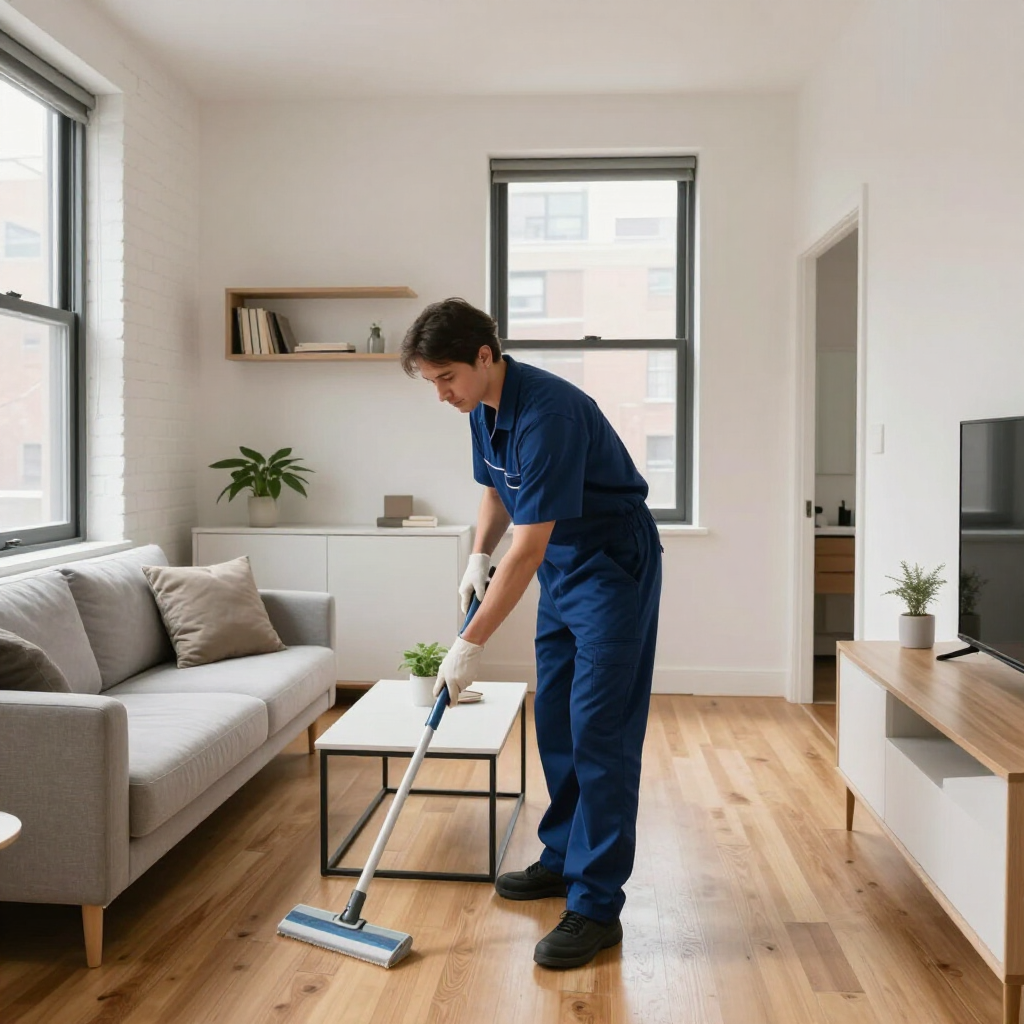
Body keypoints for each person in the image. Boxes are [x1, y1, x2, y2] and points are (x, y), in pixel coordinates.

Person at [400, 297, 663, 970]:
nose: (441, 394)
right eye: (431, 382)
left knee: (600, 728)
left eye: (445, 378)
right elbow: (495, 491)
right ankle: (562, 858)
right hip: (562, 565)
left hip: (609, 563)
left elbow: (531, 546)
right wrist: (475, 556)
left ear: (485, 356)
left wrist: (470, 643)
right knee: (556, 717)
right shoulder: (481, 406)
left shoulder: (548, 412)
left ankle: (597, 905)